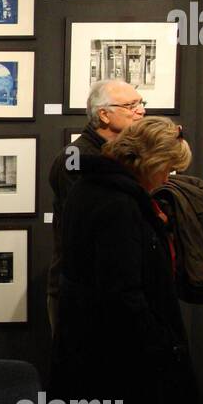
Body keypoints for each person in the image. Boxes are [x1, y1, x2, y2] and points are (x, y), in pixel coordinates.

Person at [54, 116, 197, 404]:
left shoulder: (89, 189)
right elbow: (122, 292)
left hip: (88, 352)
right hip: (122, 362)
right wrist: (161, 344)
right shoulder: (120, 204)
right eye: (168, 168)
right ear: (150, 161)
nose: (168, 177)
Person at [46, 80, 146, 337]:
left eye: (141, 104)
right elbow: (86, 231)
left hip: (118, 286)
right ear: (104, 114)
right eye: (131, 105)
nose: (141, 111)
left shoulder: (128, 155)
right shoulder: (75, 158)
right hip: (83, 292)